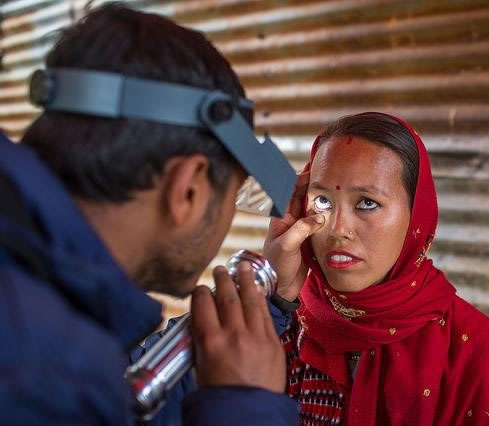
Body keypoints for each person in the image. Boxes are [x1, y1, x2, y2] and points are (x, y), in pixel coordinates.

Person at [0, 5, 297, 425]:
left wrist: (269, 303)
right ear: (189, 189)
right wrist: (247, 407)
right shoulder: (50, 377)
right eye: (232, 195)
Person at [263, 112, 489, 425]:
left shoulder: (472, 348)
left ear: (417, 214)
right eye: (322, 201)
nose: (337, 230)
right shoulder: (281, 319)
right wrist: (274, 292)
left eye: (367, 203)